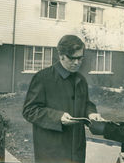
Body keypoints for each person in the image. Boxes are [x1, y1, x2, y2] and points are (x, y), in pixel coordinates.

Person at [22, 35, 102, 163]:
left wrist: (91, 113)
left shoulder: (81, 80)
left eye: (80, 58)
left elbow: (86, 103)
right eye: (72, 58)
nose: (77, 63)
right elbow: (29, 110)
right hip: (52, 153)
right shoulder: (43, 78)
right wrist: (58, 117)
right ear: (61, 55)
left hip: (76, 152)